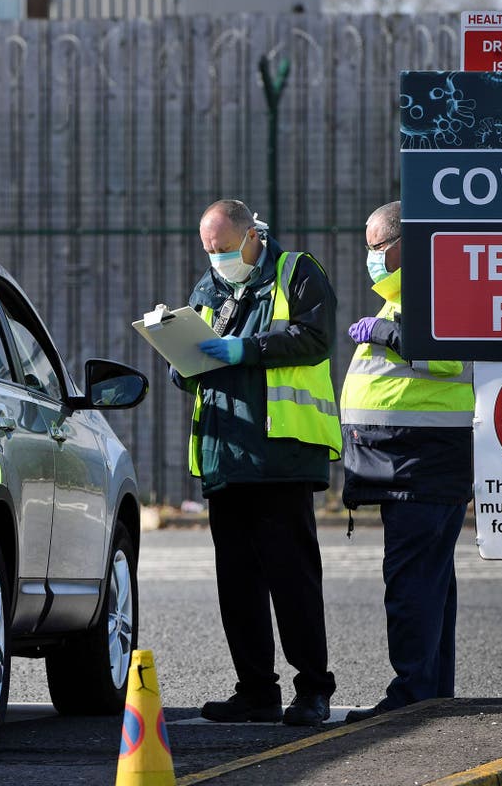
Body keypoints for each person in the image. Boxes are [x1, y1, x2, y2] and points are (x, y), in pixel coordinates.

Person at [171, 198, 341, 727]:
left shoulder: (296, 272)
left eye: (222, 248)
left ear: (251, 237)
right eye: (208, 250)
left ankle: (313, 690)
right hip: (227, 458)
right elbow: (193, 360)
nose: (215, 258)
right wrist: (181, 358)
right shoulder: (210, 288)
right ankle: (256, 691)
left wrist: (247, 349)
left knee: (292, 580)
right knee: (237, 583)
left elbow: (314, 337)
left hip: (280, 456)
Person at [340, 200, 475, 723]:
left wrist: (385, 334)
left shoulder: (436, 287)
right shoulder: (404, 298)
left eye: (377, 247)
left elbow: (449, 351)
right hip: (413, 463)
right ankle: (431, 691)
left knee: (412, 585)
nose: (371, 257)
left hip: (419, 463)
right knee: (431, 585)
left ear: (403, 246)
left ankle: (411, 698)